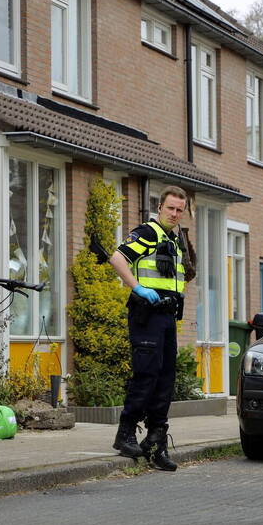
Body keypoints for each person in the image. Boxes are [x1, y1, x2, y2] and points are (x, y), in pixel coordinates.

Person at [108, 185, 189, 471]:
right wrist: (138, 288)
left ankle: (155, 443)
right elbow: (117, 258)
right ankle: (126, 433)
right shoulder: (147, 233)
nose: (175, 214)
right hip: (147, 313)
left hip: (167, 317)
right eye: (171, 208)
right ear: (159, 208)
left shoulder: (175, 240)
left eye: (180, 210)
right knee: (146, 374)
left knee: (165, 378)